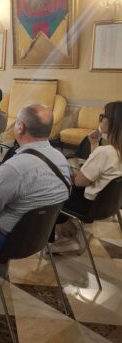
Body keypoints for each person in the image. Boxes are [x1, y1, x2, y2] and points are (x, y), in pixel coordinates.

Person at [0, 104, 71, 254]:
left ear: (20, 127)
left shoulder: (14, 167)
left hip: (7, 241)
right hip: (41, 237)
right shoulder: (61, 158)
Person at [51, 101, 122, 253]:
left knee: (51, 189)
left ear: (112, 121)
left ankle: (64, 233)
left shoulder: (105, 152)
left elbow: (79, 182)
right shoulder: (114, 151)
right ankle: (68, 229)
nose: (100, 120)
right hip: (108, 203)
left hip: (87, 205)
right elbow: (101, 168)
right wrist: (94, 143)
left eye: (103, 116)